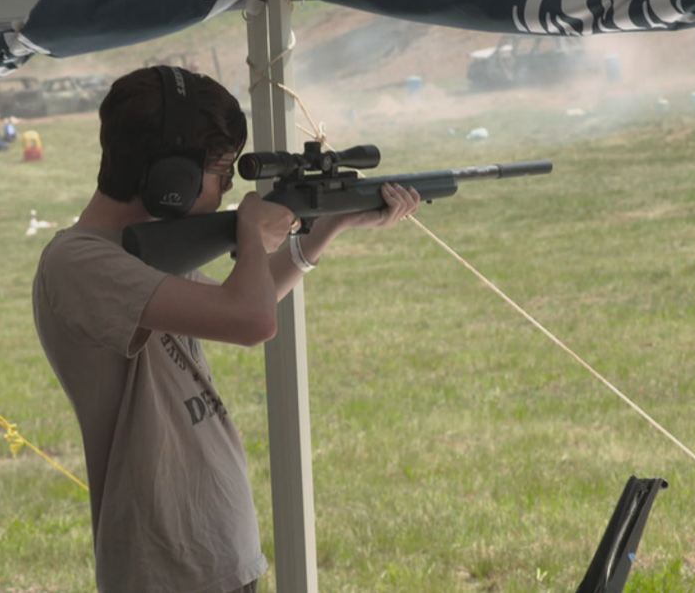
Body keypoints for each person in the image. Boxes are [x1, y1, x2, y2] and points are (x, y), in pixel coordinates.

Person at [32, 66, 419, 593]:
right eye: (218, 171)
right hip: (166, 565)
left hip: (213, 551)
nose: (228, 187)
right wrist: (249, 229)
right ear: (171, 179)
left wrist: (327, 228)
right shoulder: (78, 263)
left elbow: (235, 302)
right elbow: (251, 320)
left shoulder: (144, 252)